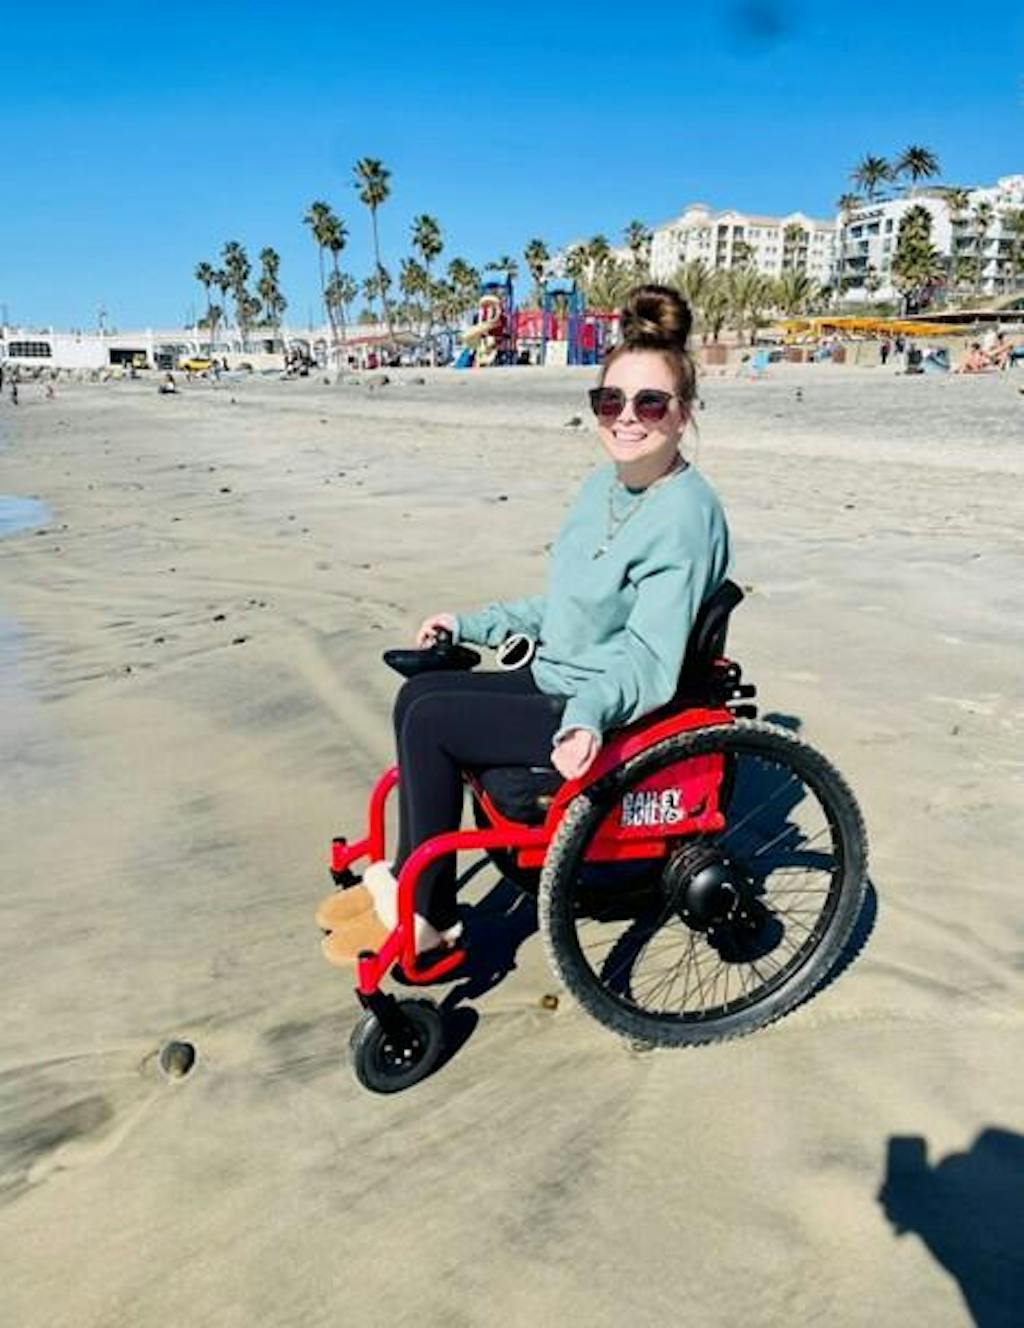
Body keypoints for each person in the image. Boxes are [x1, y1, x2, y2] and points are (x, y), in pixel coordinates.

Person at [316, 285, 732, 964]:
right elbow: (568, 607)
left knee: (433, 722)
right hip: (561, 672)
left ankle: (429, 919)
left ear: (683, 414)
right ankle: (405, 883)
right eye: (611, 401)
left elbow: (651, 659)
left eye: (650, 403)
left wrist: (588, 715)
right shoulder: (606, 486)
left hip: (605, 703)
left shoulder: (685, 515)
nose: (627, 418)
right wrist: (471, 625)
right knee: (418, 695)